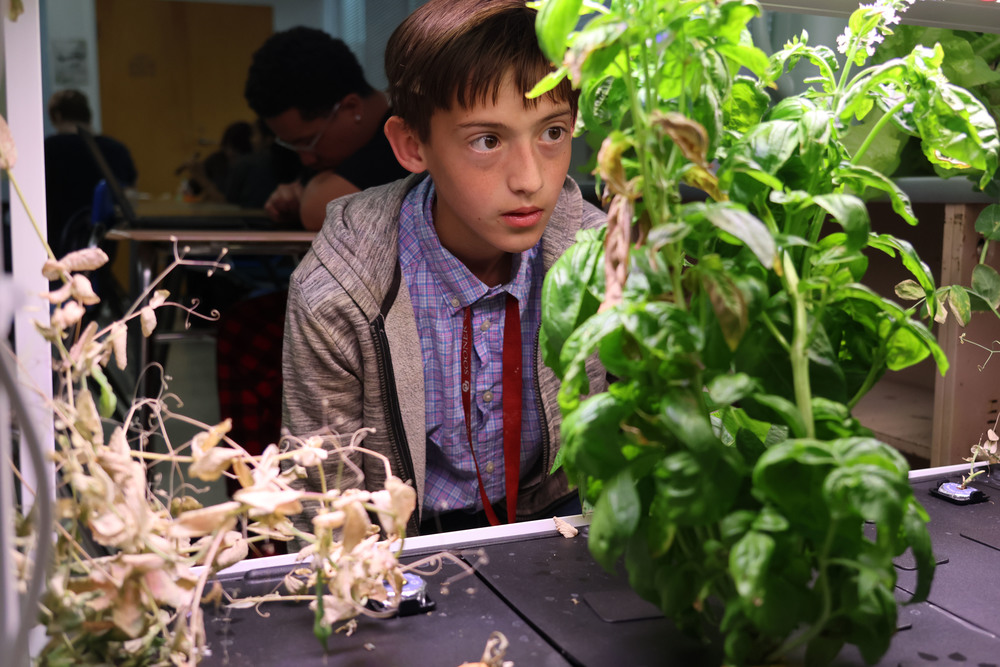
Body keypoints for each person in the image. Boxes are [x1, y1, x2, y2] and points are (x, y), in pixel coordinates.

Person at [281, 0, 608, 537]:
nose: (530, 180)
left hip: (554, 524)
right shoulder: (340, 290)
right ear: (413, 145)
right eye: (487, 140)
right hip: (401, 543)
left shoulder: (597, 255)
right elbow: (323, 503)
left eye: (552, 132)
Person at [243, 27, 409, 230]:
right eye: (293, 146)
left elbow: (317, 209)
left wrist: (309, 194)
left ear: (352, 108)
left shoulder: (409, 135)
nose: (307, 160)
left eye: (309, 142)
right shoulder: (346, 148)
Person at [43, 89, 137, 256]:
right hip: (102, 249)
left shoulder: (46, 150)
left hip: (53, 250)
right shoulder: (116, 150)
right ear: (88, 115)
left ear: (57, 116)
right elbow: (132, 195)